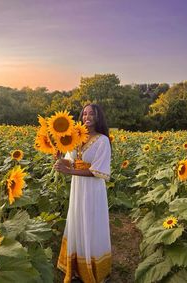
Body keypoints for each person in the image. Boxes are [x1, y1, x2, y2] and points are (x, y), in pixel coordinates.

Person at [55, 104, 111, 283]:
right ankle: (77, 269)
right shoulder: (75, 138)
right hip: (78, 187)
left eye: (92, 113)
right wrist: (57, 156)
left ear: (98, 117)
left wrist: (70, 172)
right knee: (78, 221)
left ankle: (92, 270)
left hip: (93, 190)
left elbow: (98, 171)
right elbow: (70, 161)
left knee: (91, 223)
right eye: (84, 113)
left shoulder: (102, 140)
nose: (87, 116)